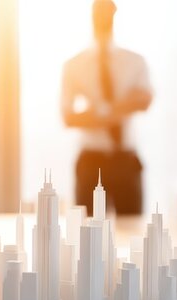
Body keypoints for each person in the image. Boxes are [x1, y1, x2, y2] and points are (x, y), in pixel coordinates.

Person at [61, 0, 153, 216]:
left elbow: (145, 101)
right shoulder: (74, 65)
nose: (102, 15)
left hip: (126, 161)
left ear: (115, 12)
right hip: (90, 163)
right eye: (97, 10)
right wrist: (121, 107)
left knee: (133, 232)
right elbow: (68, 117)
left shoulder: (135, 61)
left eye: (106, 9)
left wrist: (95, 112)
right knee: (87, 233)